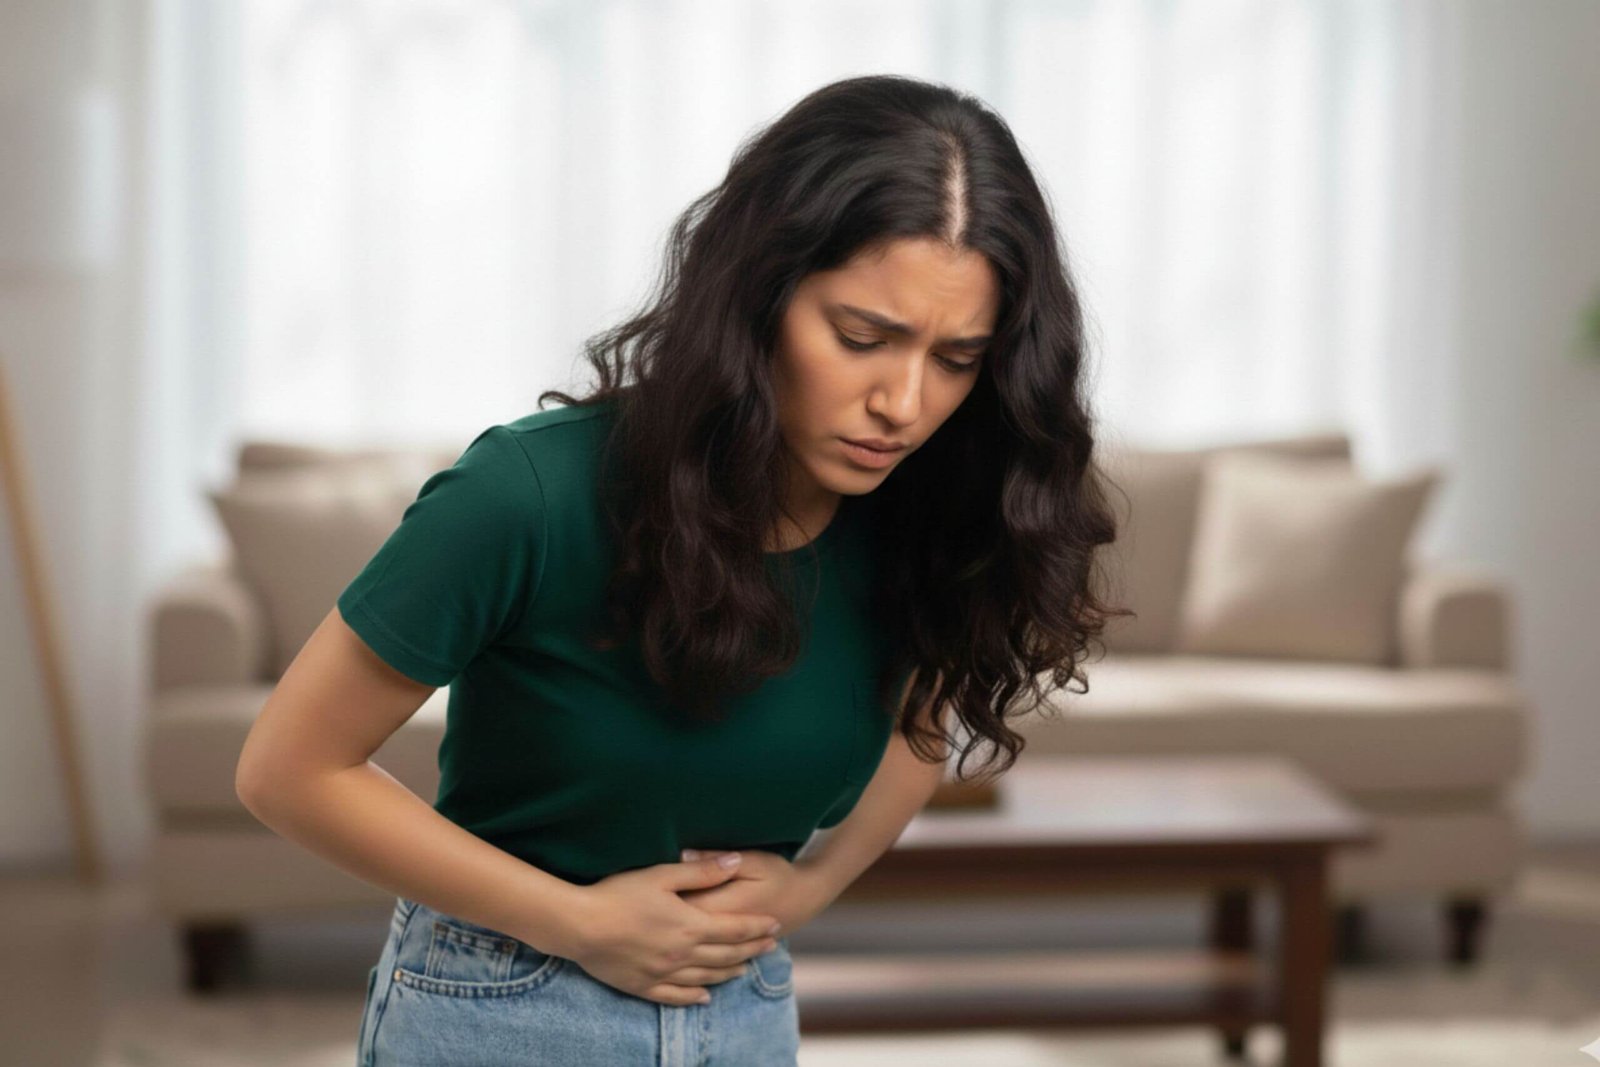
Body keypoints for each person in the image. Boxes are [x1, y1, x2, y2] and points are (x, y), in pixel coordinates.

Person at [235, 72, 1128, 1067]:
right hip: (496, 1005)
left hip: (740, 1007)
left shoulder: (923, 510)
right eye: (861, 337)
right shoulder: (529, 492)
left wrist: (805, 889)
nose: (904, 402)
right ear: (758, 294)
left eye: (957, 358)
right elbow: (287, 767)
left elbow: (921, 720)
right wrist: (575, 920)